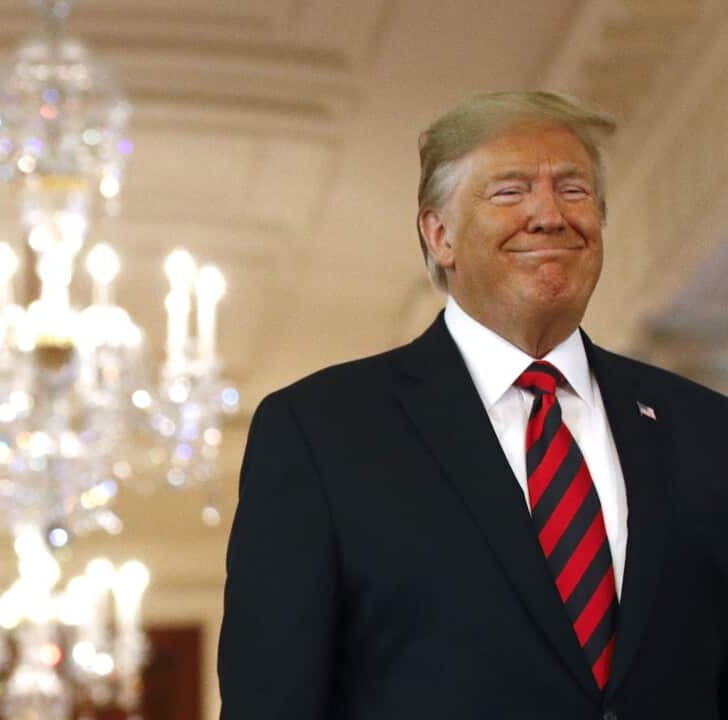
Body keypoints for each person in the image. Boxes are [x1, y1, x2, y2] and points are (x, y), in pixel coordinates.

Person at [218, 91, 728, 719]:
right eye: (510, 192)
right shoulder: (320, 431)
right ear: (440, 235)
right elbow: (272, 700)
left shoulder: (705, 428)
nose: (549, 215)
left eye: (573, 190)